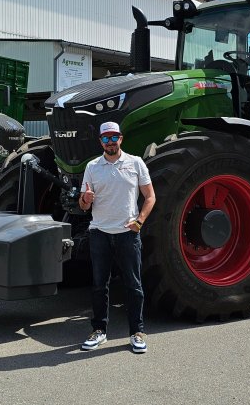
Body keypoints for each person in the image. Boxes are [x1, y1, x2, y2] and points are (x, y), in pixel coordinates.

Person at [79, 121, 156, 354]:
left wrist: (139, 221)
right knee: (99, 286)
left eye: (114, 138)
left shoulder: (136, 163)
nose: (110, 142)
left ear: (121, 138)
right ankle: (99, 331)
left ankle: (137, 332)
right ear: (100, 141)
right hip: (100, 233)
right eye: (106, 138)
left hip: (127, 234)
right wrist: (86, 200)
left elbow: (150, 196)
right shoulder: (92, 167)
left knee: (134, 285)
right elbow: (83, 205)